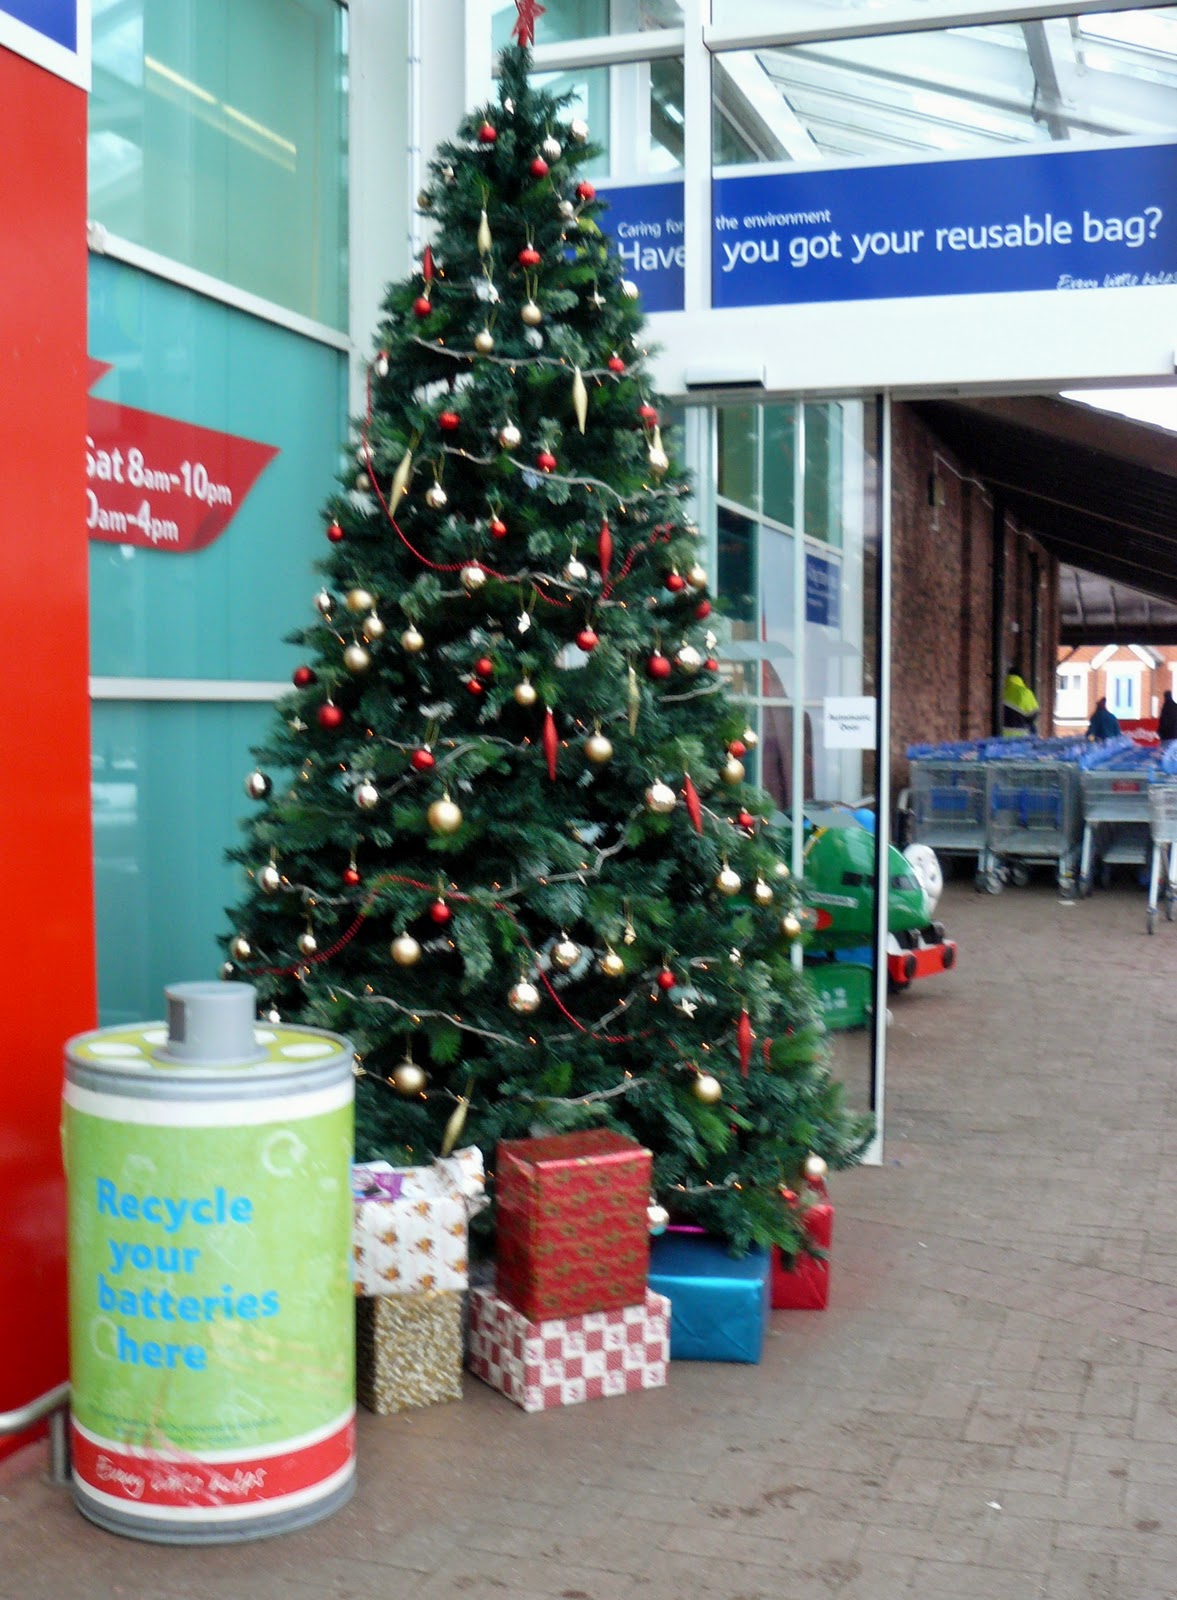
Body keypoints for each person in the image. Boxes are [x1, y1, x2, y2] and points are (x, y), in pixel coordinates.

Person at [1001, 665, 1039, 736]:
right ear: (1021, 678)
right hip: (1021, 737)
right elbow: (1033, 715)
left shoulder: (1001, 691)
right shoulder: (1026, 693)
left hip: (1001, 737)